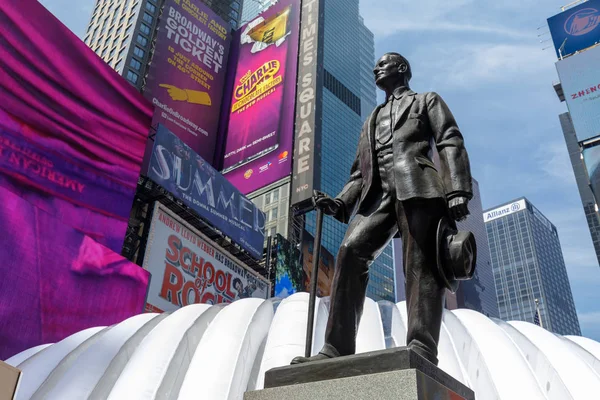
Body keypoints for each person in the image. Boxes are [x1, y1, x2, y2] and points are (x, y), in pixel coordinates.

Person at [291, 52, 475, 366]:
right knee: (350, 252)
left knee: (420, 265)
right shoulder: (371, 119)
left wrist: (457, 189)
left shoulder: (426, 101)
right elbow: (359, 174)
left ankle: (422, 347)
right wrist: (340, 203)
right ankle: (336, 348)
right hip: (378, 195)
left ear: (402, 69)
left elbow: (449, 139)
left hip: (418, 186)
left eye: (385, 63)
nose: (377, 67)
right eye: (376, 64)